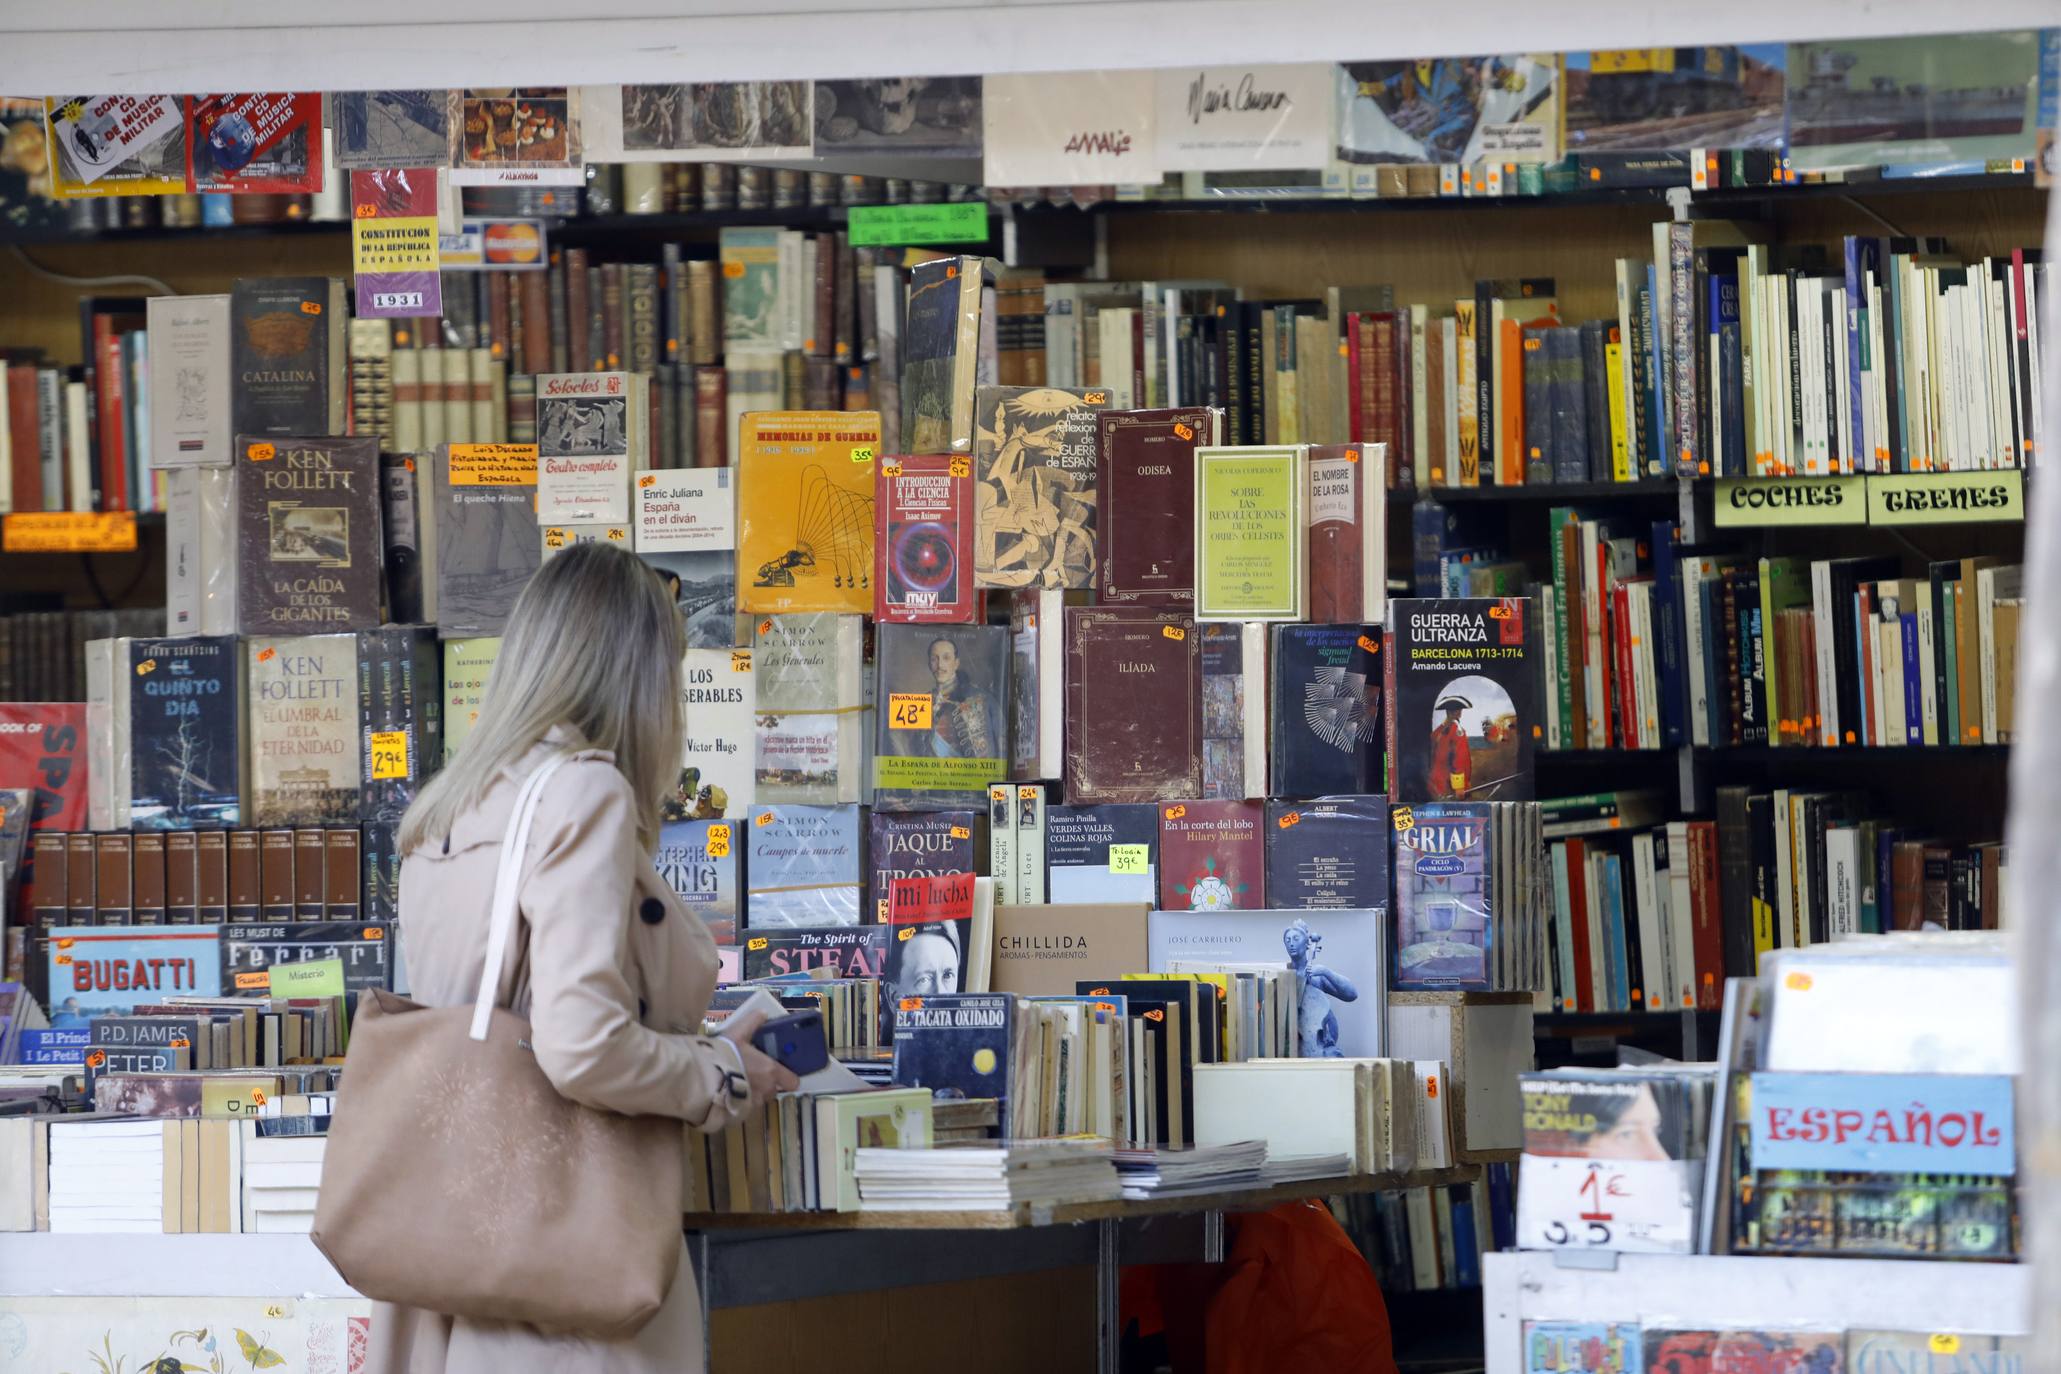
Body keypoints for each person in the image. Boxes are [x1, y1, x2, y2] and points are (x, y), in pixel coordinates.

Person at [368, 542, 797, 1374]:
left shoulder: (450, 808)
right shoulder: (582, 793)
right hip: (567, 1257)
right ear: (641, 672)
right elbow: (581, 1045)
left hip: (459, 1250)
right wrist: (722, 1070)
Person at [1282, 918, 1358, 1058]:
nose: (1291, 943)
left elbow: (1351, 994)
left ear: (1306, 944)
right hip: (1291, 1045)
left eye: (1296, 939)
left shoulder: (1316, 975)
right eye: (1287, 940)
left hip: (1321, 1045)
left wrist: (1325, 971)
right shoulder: (1283, 976)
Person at [1427, 695, 1472, 799]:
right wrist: (1459, 787)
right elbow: (1459, 760)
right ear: (1456, 712)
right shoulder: (1458, 731)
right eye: (1459, 710)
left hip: (1435, 784)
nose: (1460, 713)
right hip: (1450, 787)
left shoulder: (1438, 731)